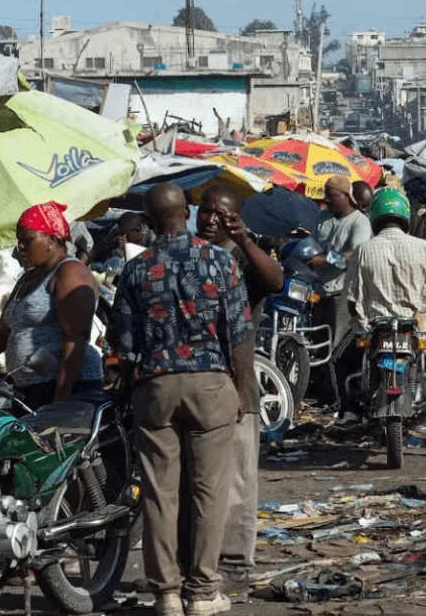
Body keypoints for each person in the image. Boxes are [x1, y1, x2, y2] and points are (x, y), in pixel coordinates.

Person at [108, 182, 253, 616]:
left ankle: (167, 594)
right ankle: (203, 592)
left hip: (155, 388)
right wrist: (241, 389)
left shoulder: (136, 270)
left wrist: (132, 378)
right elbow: (239, 335)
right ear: (187, 212)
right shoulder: (221, 261)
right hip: (211, 385)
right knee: (210, 492)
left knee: (159, 492)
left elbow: (123, 343)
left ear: (150, 221)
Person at [329, 188, 426, 456]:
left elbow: (351, 299)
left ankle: (349, 413)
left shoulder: (363, 251)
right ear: (404, 215)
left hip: (374, 328)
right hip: (417, 328)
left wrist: (360, 318)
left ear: (374, 216)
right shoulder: (422, 247)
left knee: (338, 359)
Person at [194, 183, 283, 591]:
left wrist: (244, 239)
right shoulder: (188, 255)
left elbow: (275, 280)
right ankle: (197, 562)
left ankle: (233, 563)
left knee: (236, 480)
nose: (212, 219)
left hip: (237, 383)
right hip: (195, 384)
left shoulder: (244, 260)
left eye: (222, 214)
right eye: (206, 211)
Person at [0, 201, 102, 407]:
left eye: (27, 240)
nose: (21, 248)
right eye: (18, 241)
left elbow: (76, 338)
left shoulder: (70, 272)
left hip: (64, 387)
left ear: (51, 239)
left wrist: (61, 398)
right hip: (28, 388)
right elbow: (2, 333)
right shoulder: (27, 278)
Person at [310, 175, 373, 347]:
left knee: (337, 343)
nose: (326, 200)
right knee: (316, 340)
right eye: (326, 194)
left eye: (331, 195)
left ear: (346, 196)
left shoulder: (359, 222)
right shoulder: (322, 217)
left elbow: (355, 254)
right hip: (318, 291)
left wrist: (324, 260)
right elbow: (312, 245)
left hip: (342, 293)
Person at [91, 211, 156, 263]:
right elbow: (99, 249)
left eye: (126, 235)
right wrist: (112, 246)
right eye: (120, 234)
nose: (121, 237)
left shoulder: (151, 238)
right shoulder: (117, 230)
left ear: (137, 231)